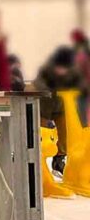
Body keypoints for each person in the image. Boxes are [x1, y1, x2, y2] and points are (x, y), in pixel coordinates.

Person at [34, 46, 86, 176]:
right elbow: (38, 83)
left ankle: (59, 160)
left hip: (61, 108)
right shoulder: (46, 70)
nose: (62, 71)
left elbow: (81, 85)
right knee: (43, 136)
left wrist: (74, 91)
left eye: (65, 68)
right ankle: (39, 161)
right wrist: (50, 89)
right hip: (44, 108)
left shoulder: (74, 72)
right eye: (59, 68)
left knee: (64, 134)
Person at [73, 29, 90, 120]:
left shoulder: (81, 56)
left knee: (83, 115)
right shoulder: (82, 55)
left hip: (84, 89)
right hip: (83, 89)